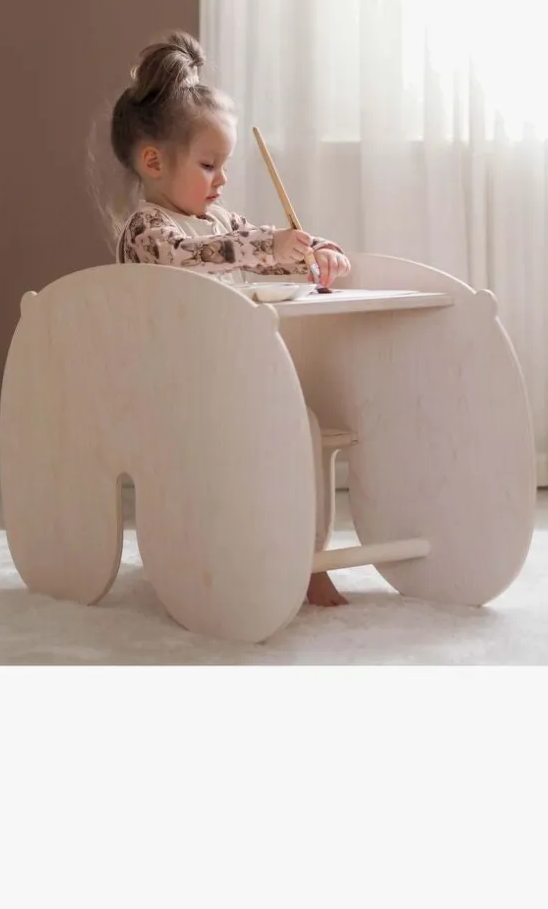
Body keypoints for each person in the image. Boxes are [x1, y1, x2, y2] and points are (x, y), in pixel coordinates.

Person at [87, 30, 351, 606]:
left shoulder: (224, 223)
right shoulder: (149, 230)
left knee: (301, 424)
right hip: (168, 389)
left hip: (227, 378)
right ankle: (248, 554)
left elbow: (265, 247)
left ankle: (307, 557)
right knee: (275, 428)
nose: (222, 180)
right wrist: (265, 248)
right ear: (154, 161)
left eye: (224, 165)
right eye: (209, 165)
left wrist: (315, 252)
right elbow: (194, 258)